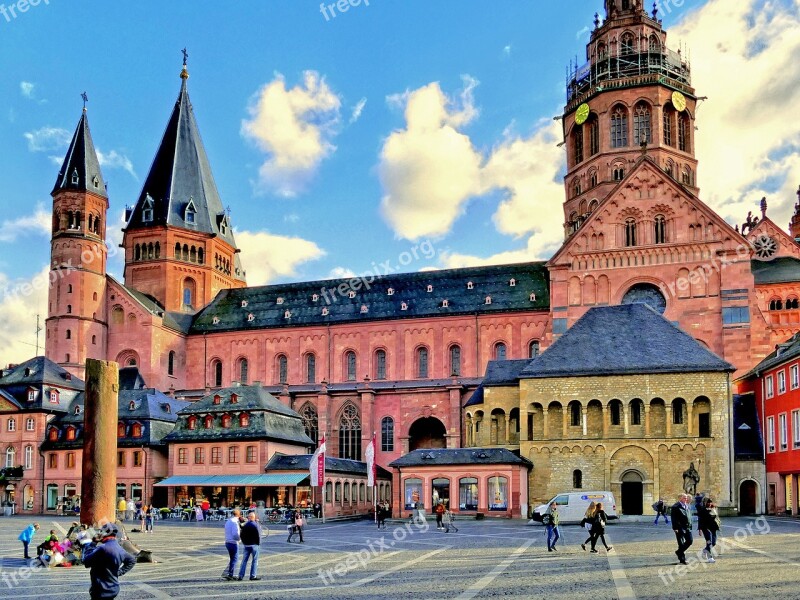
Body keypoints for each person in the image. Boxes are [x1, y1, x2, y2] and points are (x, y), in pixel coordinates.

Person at [82, 523, 136, 600]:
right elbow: (132, 560)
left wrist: (93, 543)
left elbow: (86, 561)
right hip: (113, 588)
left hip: (100, 589)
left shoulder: (102, 548)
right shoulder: (119, 549)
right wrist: (119, 572)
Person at [238, 513, 262, 581]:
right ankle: (253, 576)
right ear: (253, 517)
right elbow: (258, 535)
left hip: (246, 545)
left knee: (244, 561)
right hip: (254, 544)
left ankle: (241, 575)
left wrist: (244, 542)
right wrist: (258, 543)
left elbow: (241, 534)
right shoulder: (255, 525)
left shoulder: (246, 525)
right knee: (254, 561)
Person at [671, 493, 693, 565]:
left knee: (690, 541)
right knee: (681, 543)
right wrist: (675, 527)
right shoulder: (675, 507)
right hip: (680, 527)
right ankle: (682, 559)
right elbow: (673, 518)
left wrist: (690, 524)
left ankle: (679, 552)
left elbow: (689, 516)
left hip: (687, 527)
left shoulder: (687, 506)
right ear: (680, 498)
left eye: (686, 498)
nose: (686, 499)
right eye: (684, 498)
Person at [697, 497, 720, 563]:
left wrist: (718, 524)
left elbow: (717, 518)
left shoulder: (714, 508)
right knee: (709, 543)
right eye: (708, 502)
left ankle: (705, 550)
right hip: (706, 528)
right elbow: (700, 520)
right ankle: (710, 558)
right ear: (705, 503)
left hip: (713, 528)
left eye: (710, 502)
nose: (709, 503)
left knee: (714, 543)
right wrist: (700, 529)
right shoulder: (702, 509)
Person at [223, 509, 242, 580]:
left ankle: (229, 573)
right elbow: (235, 534)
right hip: (233, 542)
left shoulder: (228, 521)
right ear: (238, 514)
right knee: (235, 558)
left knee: (232, 558)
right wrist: (239, 539)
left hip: (227, 541)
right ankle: (230, 574)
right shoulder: (235, 522)